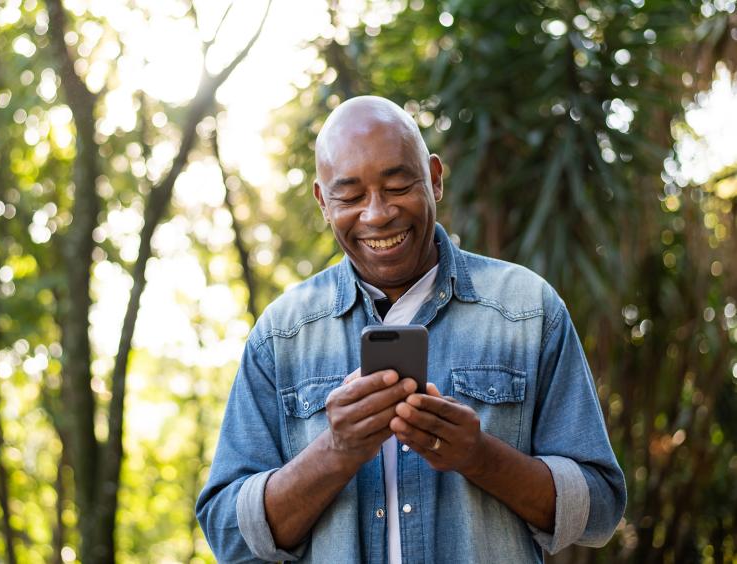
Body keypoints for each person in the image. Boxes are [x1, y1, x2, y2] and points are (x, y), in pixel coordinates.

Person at [196, 96, 626, 563]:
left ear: (435, 179)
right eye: (351, 196)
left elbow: (600, 509)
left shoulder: (526, 310)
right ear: (323, 201)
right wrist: (335, 452)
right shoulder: (283, 335)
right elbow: (228, 534)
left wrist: (478, 456)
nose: (377, 214)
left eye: (398, 185)